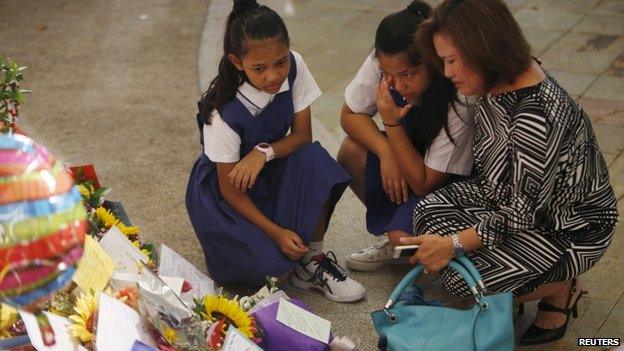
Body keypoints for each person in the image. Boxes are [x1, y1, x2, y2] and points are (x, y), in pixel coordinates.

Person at [401, 0, 618, 345]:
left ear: (483, 47)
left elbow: (523, 214)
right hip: (505, 201)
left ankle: (561, 285)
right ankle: (519, 283)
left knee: (460, 279)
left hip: (567, 227)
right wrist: (450, 245)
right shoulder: (498, 81)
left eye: (452, 60)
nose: (447, 72)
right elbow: (499, 186)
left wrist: (453, 244)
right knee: (428, 211)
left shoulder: (537, 115)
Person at [185, 0, 366, 303]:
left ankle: (314, 259)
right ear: (236, 61)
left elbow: (302, 136)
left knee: (315, 159)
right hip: (226, 193)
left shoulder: (294, 66)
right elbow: (230, 191)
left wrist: (262, 153)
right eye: (260, 68)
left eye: (280, 62)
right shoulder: (222, 112)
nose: (273, 75)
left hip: (265, 167)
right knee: (273, 274)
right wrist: (275, 233)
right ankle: (281, 247)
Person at [337, 0, 474, 272]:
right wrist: (386, 152)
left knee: (405, 241)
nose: (398, 85)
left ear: (432, 63)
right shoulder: (386, 59)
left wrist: (391, 123)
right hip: (408, 161)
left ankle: (406, 237)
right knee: (351, 151)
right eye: (388, 75)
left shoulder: (458, 92)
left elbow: (426, 183)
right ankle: (394, 230)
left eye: (407, 74)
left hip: (446, 181)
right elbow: (349, 115)